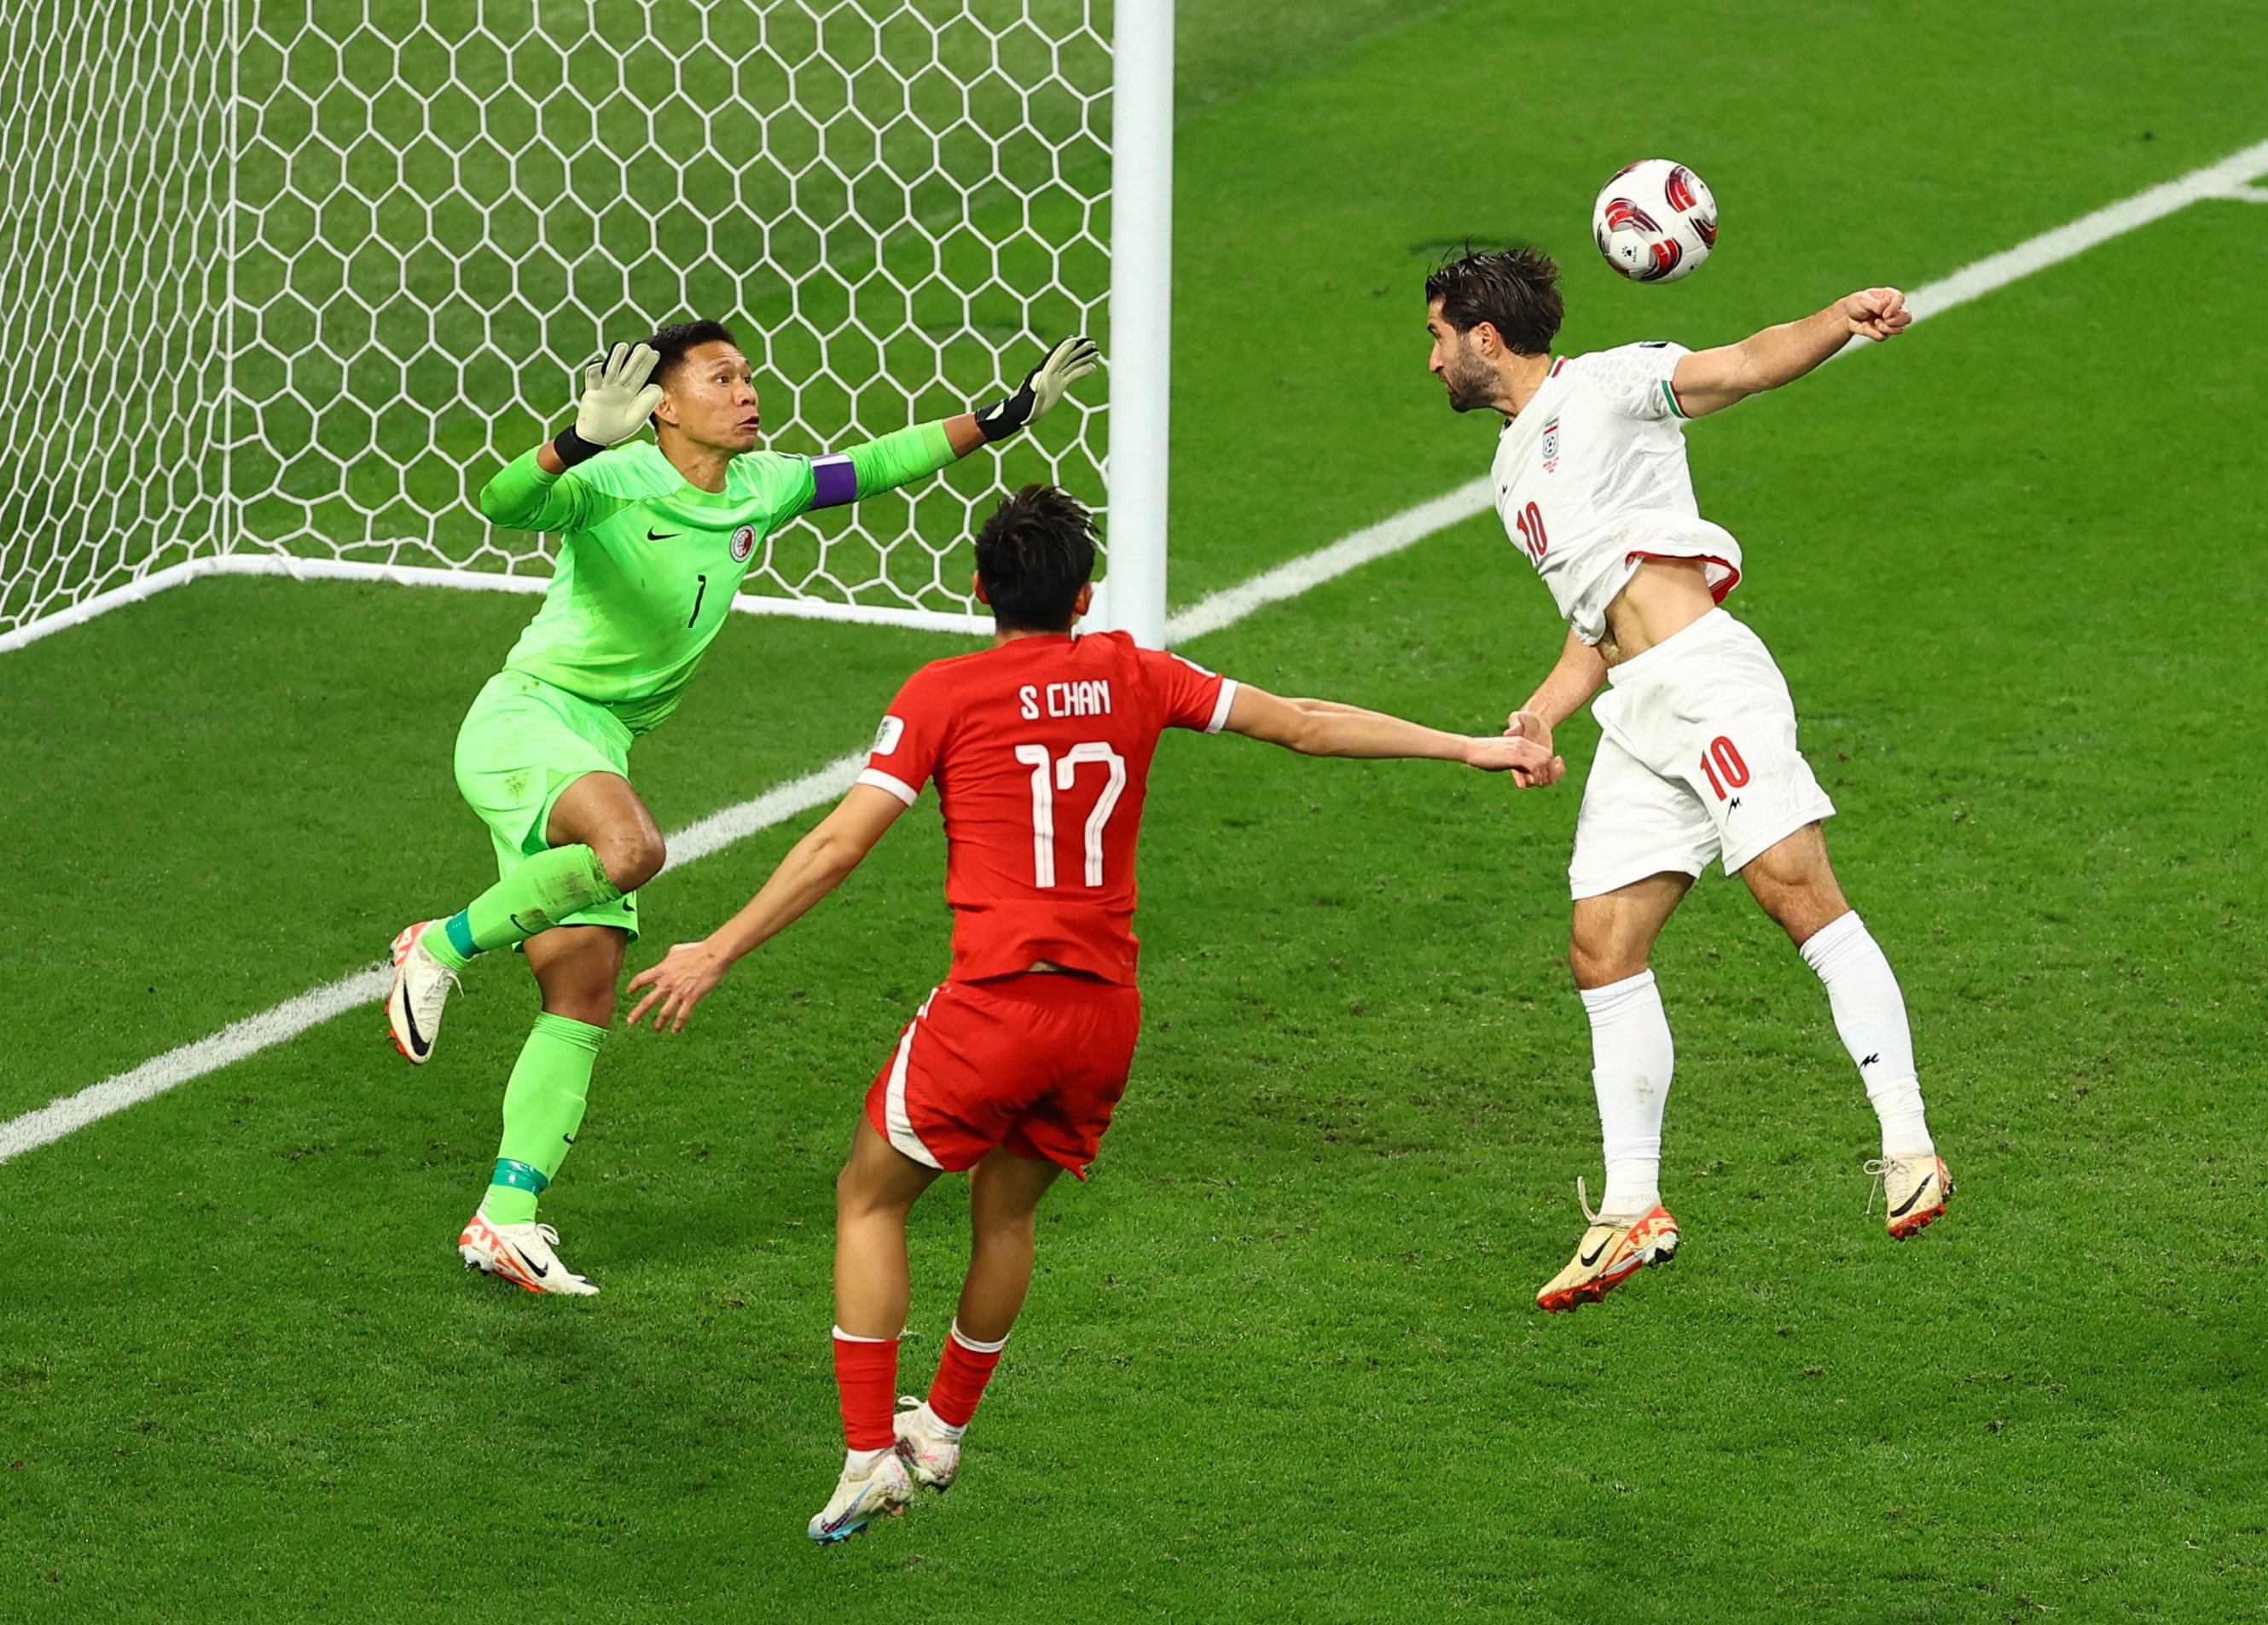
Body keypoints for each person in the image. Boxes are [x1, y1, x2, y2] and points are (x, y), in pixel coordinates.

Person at [624, 484, 1556, 1541]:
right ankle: (943, 1429)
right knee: (1005, 1215)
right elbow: (1303, 725)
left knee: (868, 1199)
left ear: (978, 589)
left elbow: (839, 844)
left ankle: (865, 1455)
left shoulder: (941, 693)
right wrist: (1471, 746)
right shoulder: (1134, 672)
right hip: (1102, 1018)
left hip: (994, 1006)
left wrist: (717, 947)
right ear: (1083, 597)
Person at [384, 321, 1100, 1296]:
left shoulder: (762, 486)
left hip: (601, 742)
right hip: (529, 719)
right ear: (664, 406)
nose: (747, 392)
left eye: (748, 376)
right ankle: (438, 945)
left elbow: (873, 466)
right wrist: (575, 441)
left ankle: (505, 1218)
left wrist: (998, 418)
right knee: (633, 849)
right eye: (721, 378)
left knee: (583, 991)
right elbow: (502, 502)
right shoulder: (612, 478)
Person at [1421, 247, 1950, 1315]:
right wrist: (1542, 711)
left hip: (1707, 683)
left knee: (1794, 894)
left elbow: (1741, 366)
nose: (1429, 361)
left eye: (1436, 337)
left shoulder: (1607, 386)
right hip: (1637, 711)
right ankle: (1629, 1209)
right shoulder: (1510, 470)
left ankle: (1908, 1144)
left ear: (1484, 337)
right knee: (1600, 945)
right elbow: (1596, 624)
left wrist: (1837, 318)